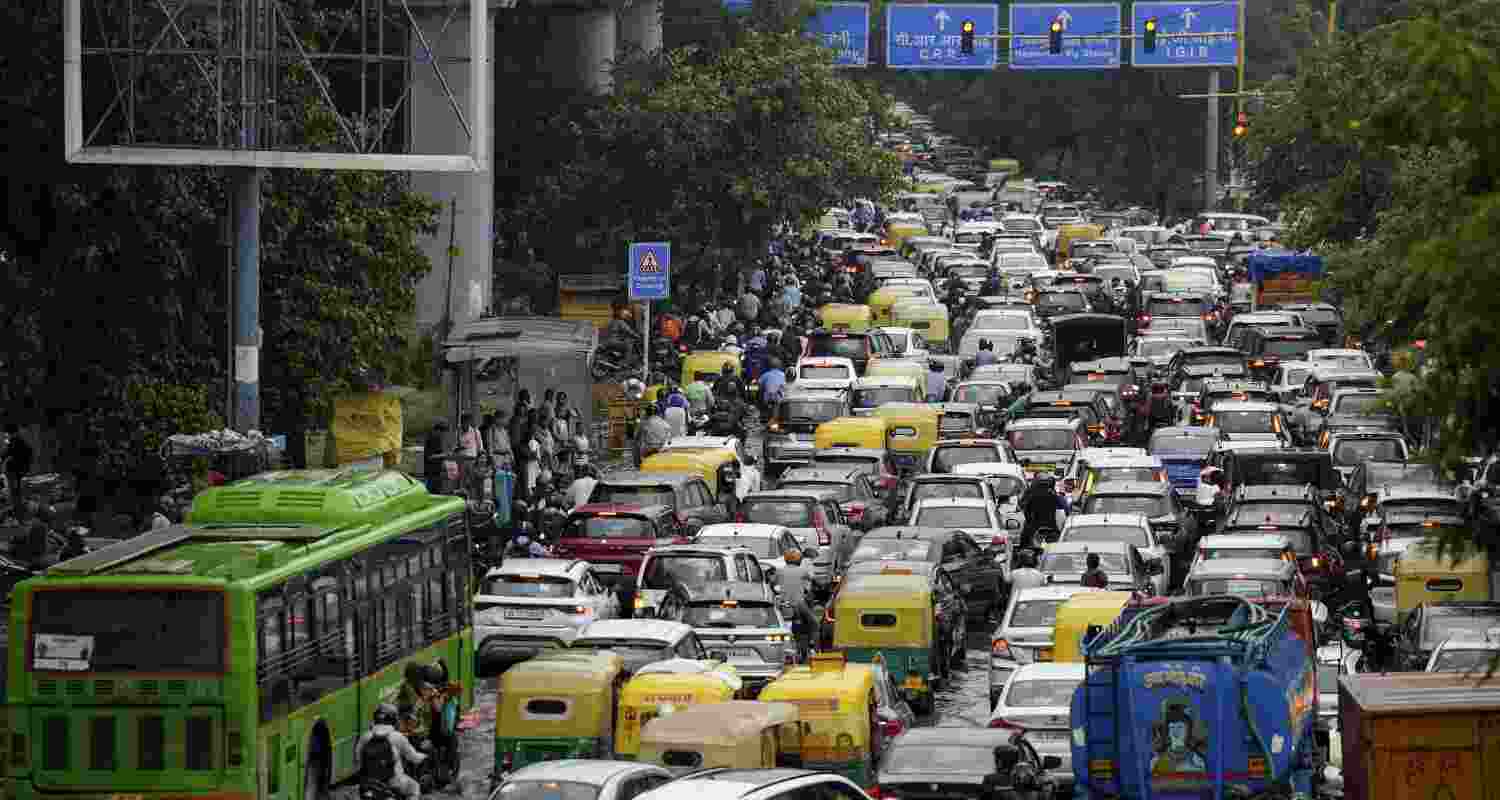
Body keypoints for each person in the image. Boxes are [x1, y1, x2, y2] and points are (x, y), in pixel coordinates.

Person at [356, 703, 426, 799]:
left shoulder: (365, 736)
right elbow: (414, 758)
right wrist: (424, 756)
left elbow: (357, 760)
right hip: (394, 781)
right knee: (415, 788)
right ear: (393, 719)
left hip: (368, 784)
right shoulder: (397, 736)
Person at [776, 548, 818, 659]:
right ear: (798, 559)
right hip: (799, 604)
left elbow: (772, 582)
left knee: (782, 625)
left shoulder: (779, 571)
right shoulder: (802, 571)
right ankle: (812, 646)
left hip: (784, 605)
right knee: (814, 623)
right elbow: (813, 580)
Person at [1020, 476, 1068, 550]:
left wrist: (1029, 520)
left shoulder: (1033, 495)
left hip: (1035, 526)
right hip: (1051, 525)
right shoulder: (1054, 495)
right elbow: (1064, 508)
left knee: (1025, 541)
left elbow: (1027, 510)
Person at [396, 662, 435, 742]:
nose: (420, 679)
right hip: (411, 730)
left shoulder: (414, 686)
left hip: (415, 727)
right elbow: (415, 706)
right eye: (418, 676)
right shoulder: (407, 688)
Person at [4, 424, 34, 514]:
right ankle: (19, 509)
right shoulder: (20, 441)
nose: (6, 436)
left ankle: (18, 510)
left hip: (15, 471)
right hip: (18, 471)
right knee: (16, 492)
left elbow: (7, 453)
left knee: (15, 493)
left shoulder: (15, 441)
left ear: (11, 433)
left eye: (7, 434)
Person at [422, 422, 450, 494]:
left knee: (437, 492)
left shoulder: (438, 439)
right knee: (431, 493)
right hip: (431, 473)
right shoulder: (431, 439)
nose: (443, 435)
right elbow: (430, 456)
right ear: (438, 430)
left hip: (437, 472)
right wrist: (444, 455)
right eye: (443, 433)